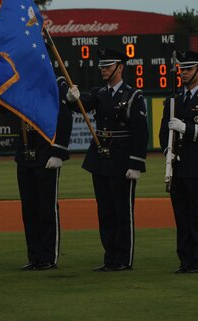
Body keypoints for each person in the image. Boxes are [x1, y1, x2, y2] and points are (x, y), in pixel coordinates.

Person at [67, 48, 148, 272]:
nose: (103, 69)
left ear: (120, 67)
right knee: (105, 211)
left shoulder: (133, 96)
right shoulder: (100, 93)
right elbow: (81, 104)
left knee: (122, 211)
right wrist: (71, 98)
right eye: (102, 66)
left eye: (108, 66)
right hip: (101, 159)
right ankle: (110, 256)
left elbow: (141, 133)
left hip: (122, 159)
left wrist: (136, 164)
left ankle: (123, 258)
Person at [158, 50, 198, 274]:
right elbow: (162, 132)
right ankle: (185, 260)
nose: (183, 73)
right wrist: (168, 151)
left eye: (188, 69)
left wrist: (187, 129)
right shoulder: (173, 101)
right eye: (181, 69)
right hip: (178, 166)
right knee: (181, 216)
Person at [15, 76, 73, 271]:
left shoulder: (56, 82)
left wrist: (58, 152)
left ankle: (48, 257)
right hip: (25, 152)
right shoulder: (20, 81)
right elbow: (4, 109)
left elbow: (64, 117)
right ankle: (35, 257)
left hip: (46, 153)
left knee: (46, 207)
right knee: (29, 208)